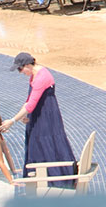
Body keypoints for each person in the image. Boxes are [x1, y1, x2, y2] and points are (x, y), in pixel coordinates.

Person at [7, 53, 75, 188]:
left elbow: (31, 104)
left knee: (47, 142)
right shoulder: (34, 75)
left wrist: (13, 120)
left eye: (20, 69)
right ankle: (40, 178)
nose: (21, 73)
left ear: (27, 65)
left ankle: (55, 178)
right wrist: (25, 115)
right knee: (37, 142)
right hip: (38, 114)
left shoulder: (41, 77)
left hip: (46, 115)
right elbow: (30, 100)